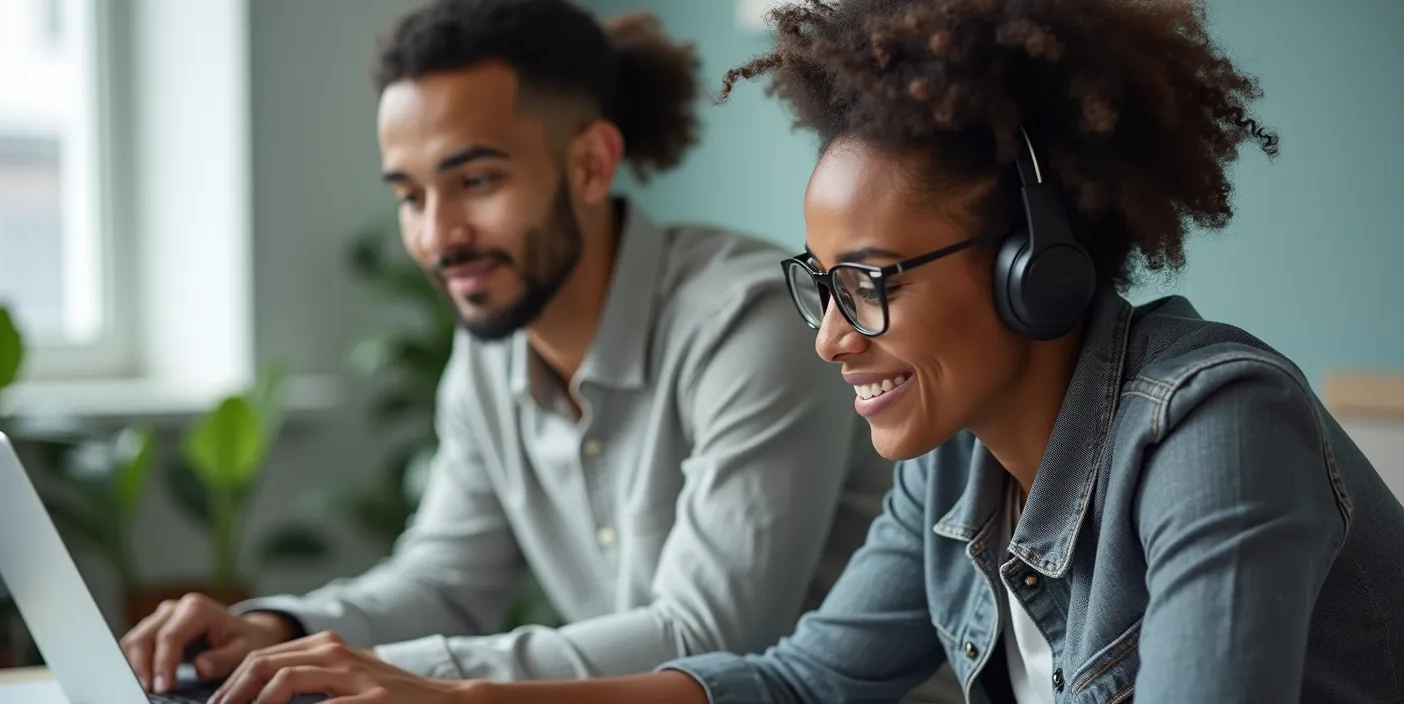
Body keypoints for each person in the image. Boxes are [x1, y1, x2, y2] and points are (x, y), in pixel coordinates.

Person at [180, 0, 1404, 701]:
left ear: (1037, 261)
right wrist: (452, 701)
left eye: (867, 284)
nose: (827, 335)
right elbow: (802, 680)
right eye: (822, 284)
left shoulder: (1213, 433)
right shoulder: (955, 461)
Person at [115, 0, 906, 700]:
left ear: (591, 163)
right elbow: (447, 580)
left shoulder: (749, 322)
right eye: (411, 196)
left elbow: (707, 637)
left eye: (477, 181)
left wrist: (410, 676)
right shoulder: (492, 347)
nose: (437, 236)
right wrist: (278, 628)